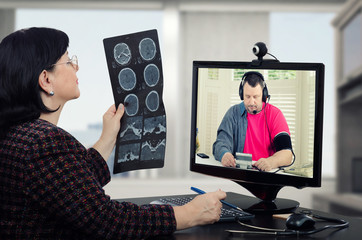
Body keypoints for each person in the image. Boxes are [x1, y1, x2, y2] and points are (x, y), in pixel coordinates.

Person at [0, 27, 226, 239]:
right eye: (68, 61)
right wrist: (189, 214)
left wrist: (108, 138)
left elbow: (69, 190)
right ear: (46, 79)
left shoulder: (18, 135)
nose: (76, 67)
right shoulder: (45, 141)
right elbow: (107, 220)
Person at [213, 71, 293, 172]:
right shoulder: (233, 113)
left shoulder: (275, 114)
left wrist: (272, 161)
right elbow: (220, 143)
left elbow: (287, 153)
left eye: (255, 97)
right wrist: (224, 154)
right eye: (247, 97)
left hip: (265, 175)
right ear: (242, 94)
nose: (251, 102)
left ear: (264, 95)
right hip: (240, 174)